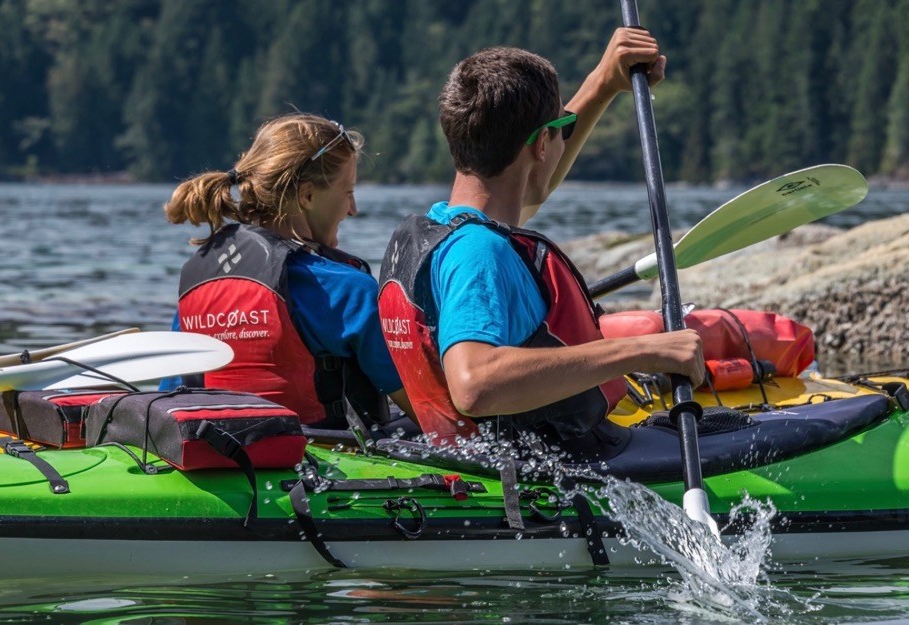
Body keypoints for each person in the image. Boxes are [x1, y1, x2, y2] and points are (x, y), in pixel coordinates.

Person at [378, 29, 704, 460]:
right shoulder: (480, 253)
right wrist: (638, 351)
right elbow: (474, 384)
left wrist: (605, 81)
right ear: (541, 143)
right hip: (555, 477)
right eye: (559, 130)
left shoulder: (445, 228)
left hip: (486, 463)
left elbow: (530, 187)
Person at [164, 113, 414, 429]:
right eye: (347, 191)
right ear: (308, 196)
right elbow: (433, 417)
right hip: (324, 466)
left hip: (216, 457)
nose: (353, 208)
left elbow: (172, 398)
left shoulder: (198, 283)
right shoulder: (347, 290)